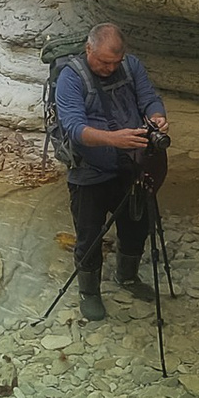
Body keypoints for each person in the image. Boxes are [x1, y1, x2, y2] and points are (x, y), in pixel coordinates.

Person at [54, 22, 169, 321]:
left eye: (116, 62)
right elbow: (74, 127)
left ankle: (127, 277)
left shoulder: (131, 66)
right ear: (88, 49)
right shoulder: (71, 78)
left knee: (137, 224)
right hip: (89, 172)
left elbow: (149, 98)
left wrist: (157, 117)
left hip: (132, 165)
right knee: (89, 235)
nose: (110, 68)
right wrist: (113, 139)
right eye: (104, 62)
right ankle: (89, 292)